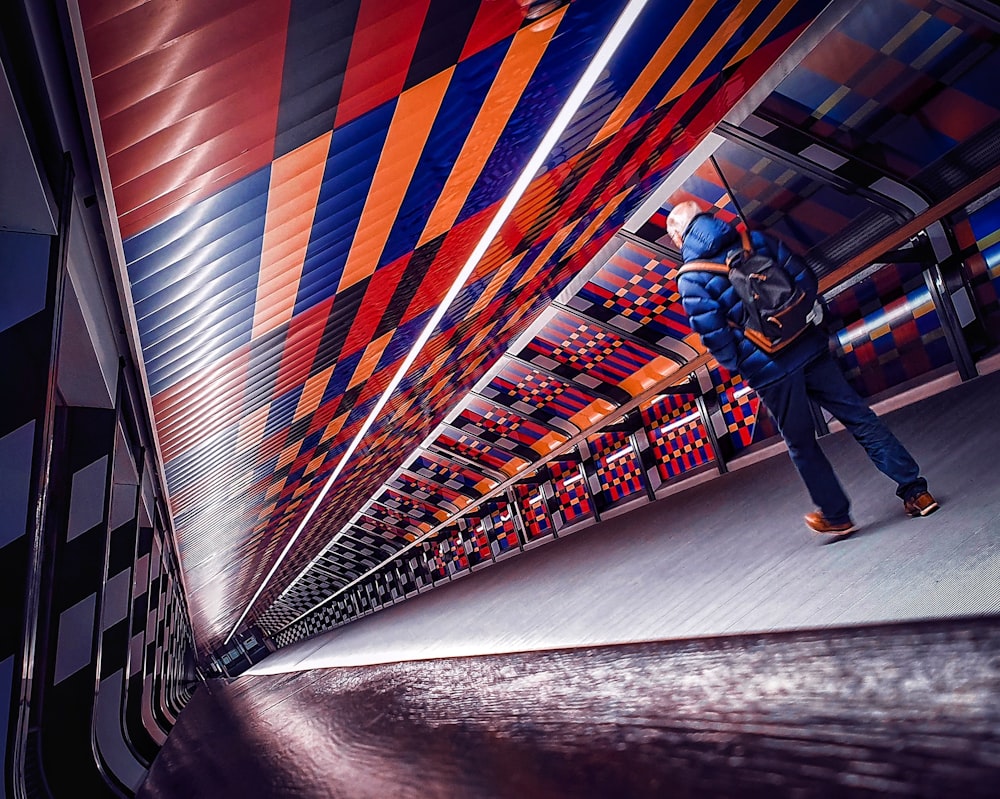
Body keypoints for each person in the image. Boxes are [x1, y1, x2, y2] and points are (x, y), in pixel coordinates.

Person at [666, 200, 938, 536]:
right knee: (859, 417)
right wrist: (804, 325)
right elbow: (803, 278)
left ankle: (837, 515)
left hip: (771, 372)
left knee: (801, 444)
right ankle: (916, 492)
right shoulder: (753, 238)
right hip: (808, 345)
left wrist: (744, 365)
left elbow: (715, 336)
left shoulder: (691, 279)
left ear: (680, 236)